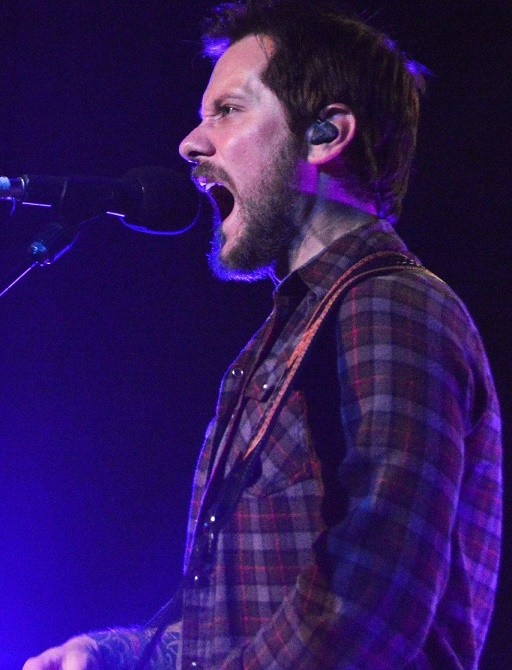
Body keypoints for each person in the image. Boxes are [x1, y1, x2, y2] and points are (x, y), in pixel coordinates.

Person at [23, 1, 502, 669]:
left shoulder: (392, 306)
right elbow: (232, 624)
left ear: (325, 135)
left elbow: (364, 610)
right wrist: (112, 655)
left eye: (227, 111)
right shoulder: (285, 339)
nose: (191, 143)